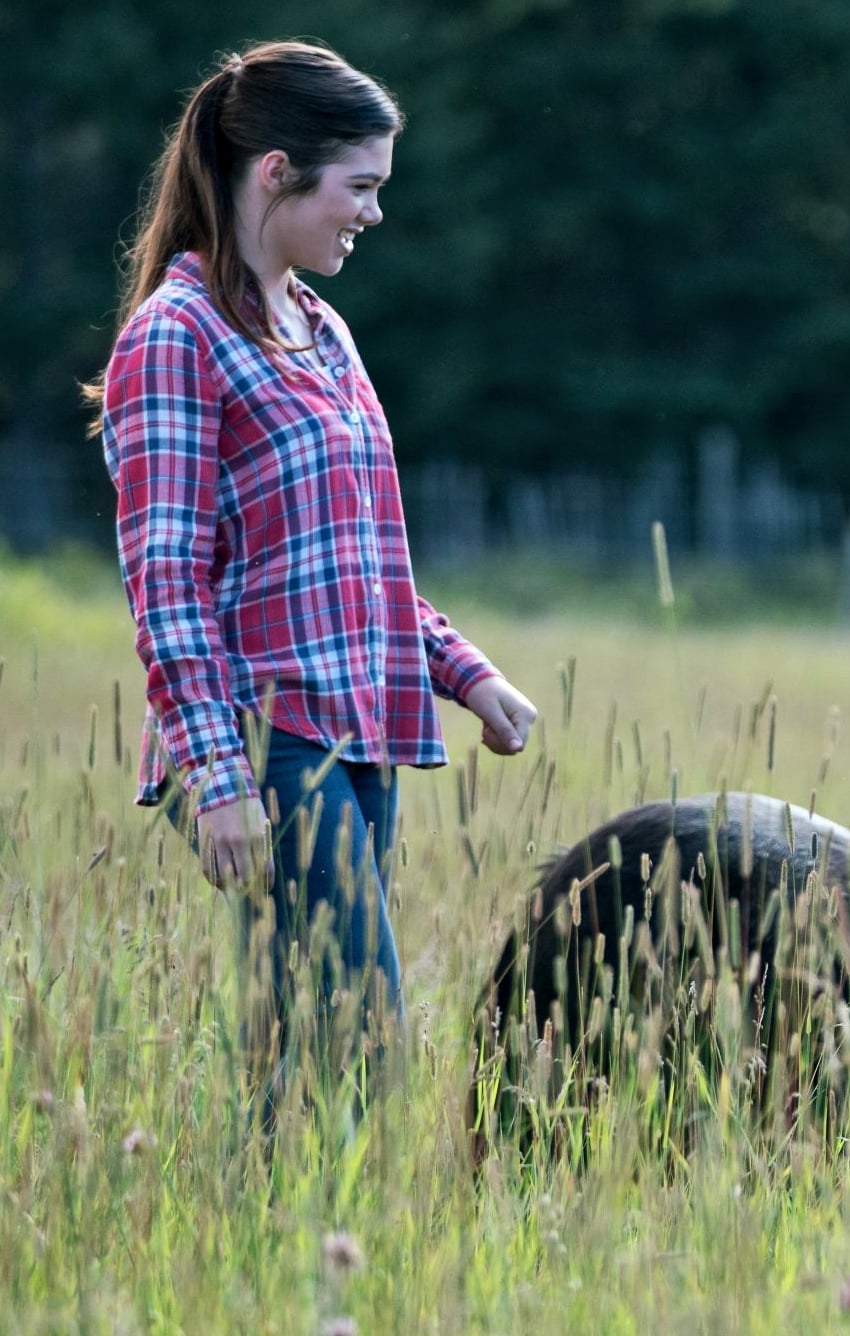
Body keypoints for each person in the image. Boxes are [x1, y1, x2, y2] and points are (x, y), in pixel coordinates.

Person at [92, 40, 538, 1129]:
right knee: (361, 1032)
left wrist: (466, 674)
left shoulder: (322, 331)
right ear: (276, 171)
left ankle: (275, 1263)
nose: (373, 215)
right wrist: (217, 775)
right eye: (361, 188)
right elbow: (166, 582)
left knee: (305, 1047)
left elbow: (358, 561)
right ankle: (336, 1256)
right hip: (264, 736)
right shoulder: (176, 335)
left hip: (363, 728)